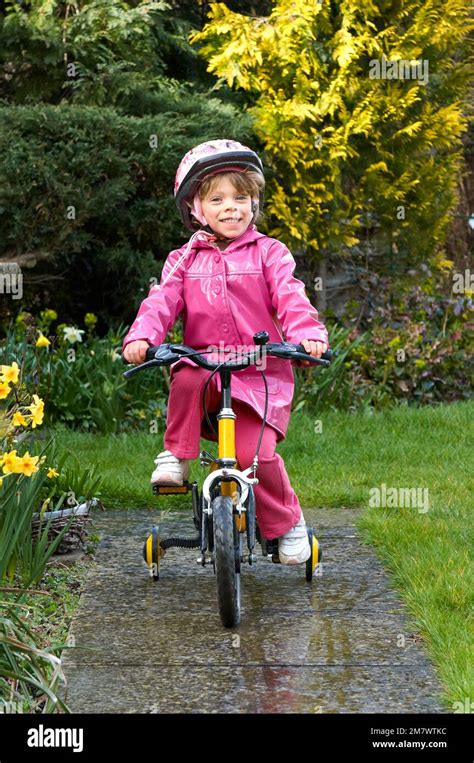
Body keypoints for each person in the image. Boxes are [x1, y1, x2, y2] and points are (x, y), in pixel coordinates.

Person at [122, 139, 329, 565]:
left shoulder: (270, 252)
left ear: (254, 203)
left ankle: (287, 522)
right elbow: (161, 301)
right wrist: (142, 338)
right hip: (206, 368)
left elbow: (291, 298)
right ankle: (178, 455)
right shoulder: (183, 260)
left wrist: (307, 334)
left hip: (261, 372)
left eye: (241, 197)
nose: (231, 207)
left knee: (259, 457)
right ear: (196, 209)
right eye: (217, 199)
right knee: (185, 373)